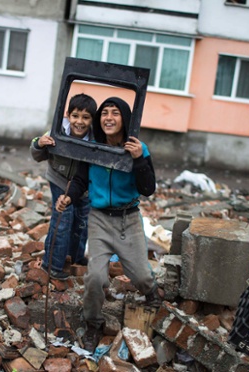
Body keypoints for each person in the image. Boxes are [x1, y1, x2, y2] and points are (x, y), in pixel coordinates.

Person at [56, 97, 162, 351]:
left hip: (129, 219)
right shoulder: (92, 148)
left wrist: (138, 160)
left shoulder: (138, 148)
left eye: (115, 113)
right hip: (100, 219)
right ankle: (93, 324)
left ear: (125, 119)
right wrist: (68, 196)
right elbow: (81, 180)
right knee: (95, 277)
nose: (109, 118)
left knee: (142, 275)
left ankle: (152, 294)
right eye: (104, 113)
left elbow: (148, 188)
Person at [30, 93, 97, 280]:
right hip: (59, 178)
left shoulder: (94, 138)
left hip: (83, 186)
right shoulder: (56, 130)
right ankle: (52, 265)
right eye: (75, 116)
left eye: (86, 117)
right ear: (68, 114)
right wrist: (39, 144)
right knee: (63, 219)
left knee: (82, 222)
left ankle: (75, 258)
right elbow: (36, 153)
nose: (80, 122)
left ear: (92, 119)